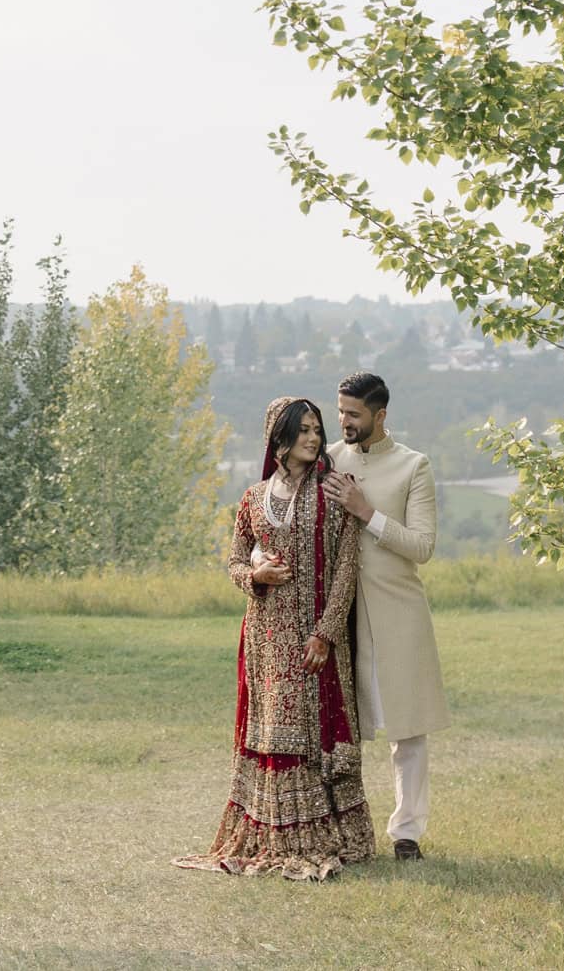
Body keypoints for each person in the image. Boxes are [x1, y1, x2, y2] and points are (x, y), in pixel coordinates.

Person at [175, 397, 375, 880]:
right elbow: (235, 562)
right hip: (264, 639)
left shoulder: (335, 492)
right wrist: (256, 575)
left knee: (311, 734)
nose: (313, 438)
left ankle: (320, 834)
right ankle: (268, 830)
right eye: (303, 430)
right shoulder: (252, 498)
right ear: (279, 439)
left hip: (313, 640)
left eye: (316, 429)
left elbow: (348, 566)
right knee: (268, 732)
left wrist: (326, 634)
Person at [323, 371, 451, 861]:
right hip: (342, 616)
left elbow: (422, 546)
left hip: (399, 615)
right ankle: (335, 826)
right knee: (337, 726)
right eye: (340, 412)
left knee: (407, 729)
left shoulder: (413, 466)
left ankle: (407, 835)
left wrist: (366, 511)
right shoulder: (329, 459)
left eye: (353, 414)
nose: (344, 421)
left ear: (380, 415)